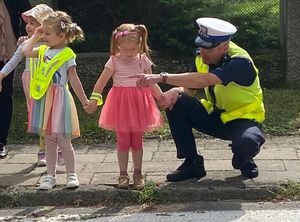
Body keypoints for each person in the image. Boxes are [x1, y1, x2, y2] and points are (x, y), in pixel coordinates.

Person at [134, 17, 266, 182]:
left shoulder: (240, 62)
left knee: (246, 142)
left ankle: (244, 159)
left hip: (244, 119)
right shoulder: (202, 56)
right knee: (177, 102)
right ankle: (192, 163)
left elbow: (205, 80)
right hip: (216, 115)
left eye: (208, 49)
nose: (202, 52)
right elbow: (192, 87)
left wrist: (161, 78)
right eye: (201, 46)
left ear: (224, 47)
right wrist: (176, 91)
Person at [88, 23, 164, 189]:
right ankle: (123, 174)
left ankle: (138, 173)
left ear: (139, 45)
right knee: (123, 141)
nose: (129, 53)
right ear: (117, 45)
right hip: (121, 104)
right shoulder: (114, 60)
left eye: (133, 49)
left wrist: (161, 98)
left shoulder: (143, 59)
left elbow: (151, 82)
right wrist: (94, 100)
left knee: (137, 141)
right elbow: (101, 82)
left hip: (139, 104)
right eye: (125, 49)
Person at [22, 11, 90, 190]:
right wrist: (36, 36)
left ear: (61, 36)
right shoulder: (43, 50)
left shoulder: (68, 54)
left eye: (47, 33)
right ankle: (49, 176)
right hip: (45, 99)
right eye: (42, 32)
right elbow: (26, 51)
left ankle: (71, 174)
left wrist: (84, 101)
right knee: (50, 139)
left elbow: (74, 80)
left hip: (60, 99)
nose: (44, 36)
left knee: (63, 139)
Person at [0, 4, 55, 167]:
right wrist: (1, 75)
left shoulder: (53, 44)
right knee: (38, 115)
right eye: (28, 22)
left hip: (51, 84)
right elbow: (12, 62)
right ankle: (42, 150)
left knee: (52, 115)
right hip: (31, 83)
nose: (28, 26)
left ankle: (56, 147)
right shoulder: (26, 44)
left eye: (33, 23)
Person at [0, 0, 31, 158]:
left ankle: (1, 141)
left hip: (7, 53)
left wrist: (24, 35)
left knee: (4, 95)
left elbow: (30, 15)